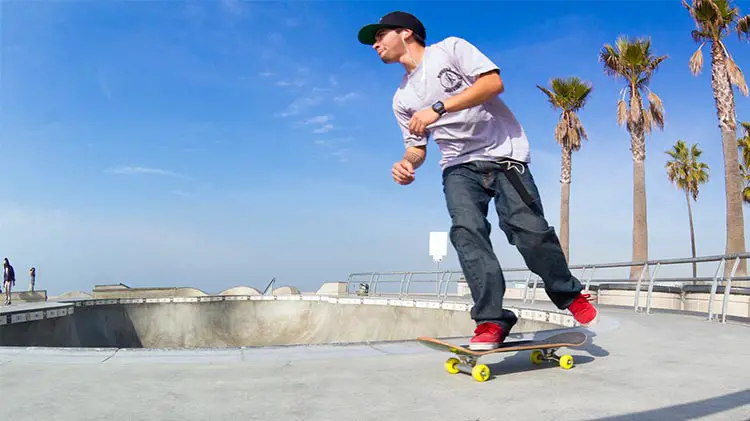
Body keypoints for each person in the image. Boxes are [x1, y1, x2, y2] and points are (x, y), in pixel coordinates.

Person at [357, 11, 598, 350]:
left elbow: (492, 83)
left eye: (380, 35)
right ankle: (490, 319)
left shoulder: (450, 49)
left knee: (527, 230)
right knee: (466, 231)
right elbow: (416, 147)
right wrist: (406, 163)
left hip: (505, 155)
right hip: (458, 166)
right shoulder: (402, 100)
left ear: (406, 32)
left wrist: (439, 108)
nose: (375, 44)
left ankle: (566, 291)